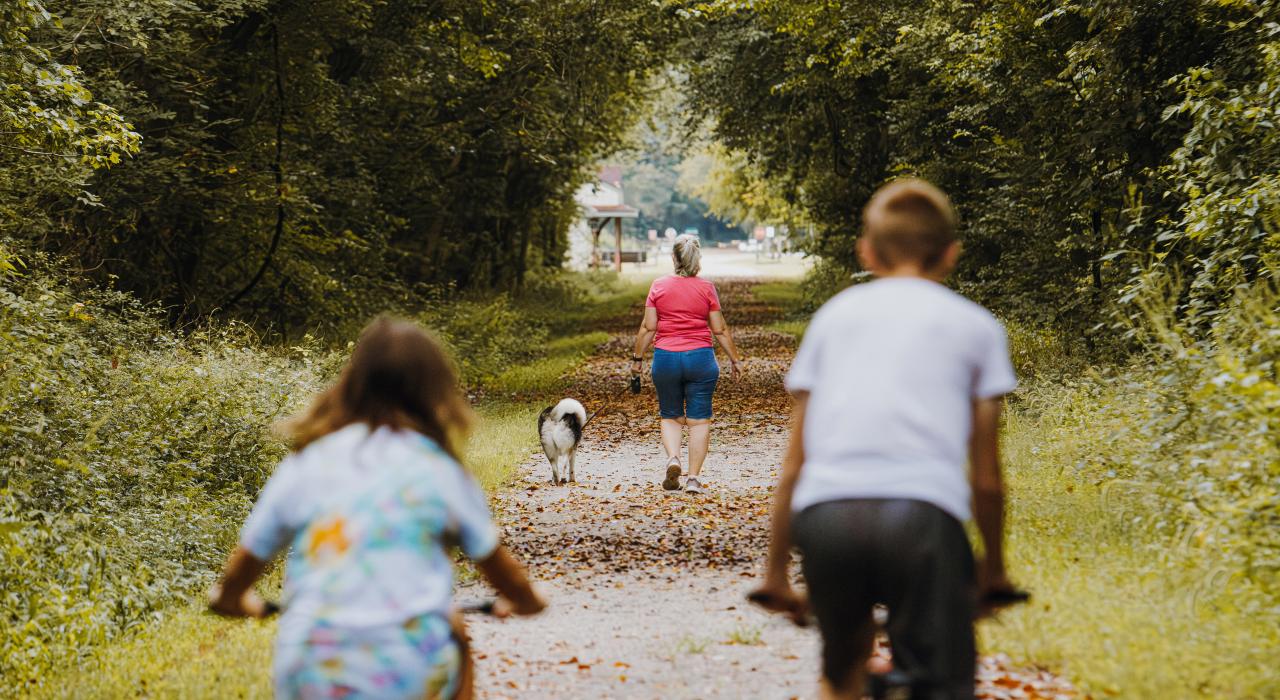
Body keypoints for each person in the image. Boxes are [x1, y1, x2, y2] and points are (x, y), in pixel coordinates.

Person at [750, 179, 1023, 699]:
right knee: (939, 680)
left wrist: (775, 573)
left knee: (841, 668)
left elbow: (794, 464)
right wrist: (993, 569)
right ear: (950, 254)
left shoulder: (833, 319)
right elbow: (987, 479)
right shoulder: (976, 327)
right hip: (923, 516)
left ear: (867, 252)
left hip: (828, 516)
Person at [208, 318, 546, 700]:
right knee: (454, 631)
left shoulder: (306, 464)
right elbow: (501, 570)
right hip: (408, 672)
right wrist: (525, 600)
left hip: (312, 673)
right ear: (433, 393)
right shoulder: (439, 469)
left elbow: (241, 569)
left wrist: (231, 599)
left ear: (353, 384)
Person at [631, 234, 743, 494]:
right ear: (697, 259)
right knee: (699, 421)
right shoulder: (706, 288)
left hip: (666, 359)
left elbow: (649, 327)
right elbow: (720, 329)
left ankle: (673, 459)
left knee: (670, 416)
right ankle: (692, 479)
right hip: (701, 360)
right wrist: (735, 360)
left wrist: (637, 360)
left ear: (674, 258)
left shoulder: (658, 286)